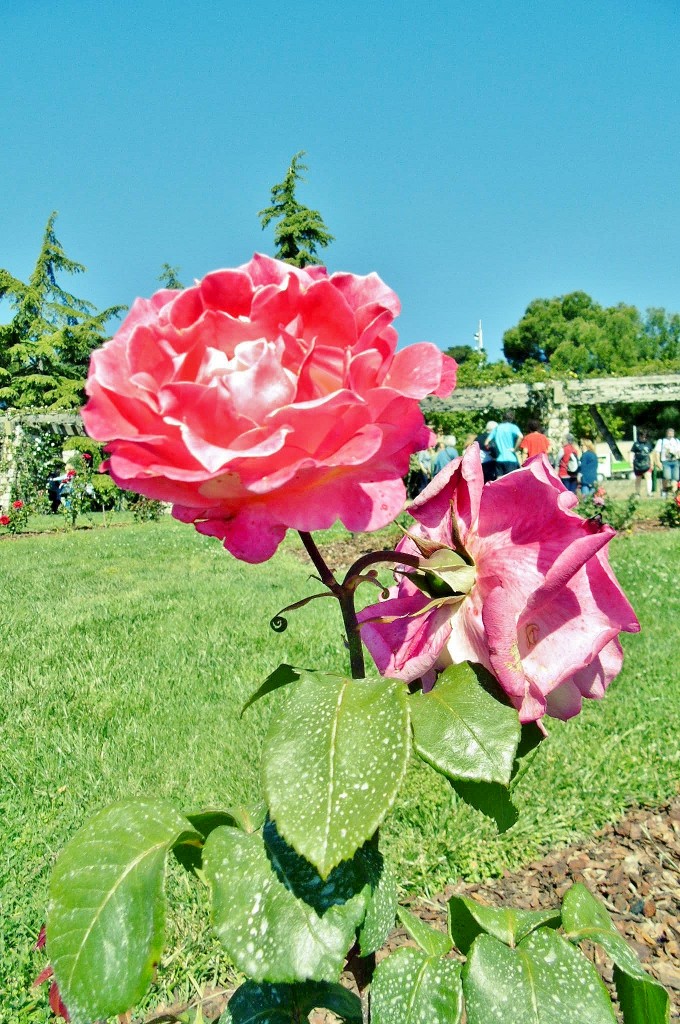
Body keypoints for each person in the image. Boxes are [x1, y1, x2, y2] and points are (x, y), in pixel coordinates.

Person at [489, 412, 522, 477]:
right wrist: (515, 449)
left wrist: (493, 453)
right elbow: (520, 436)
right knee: (511, 481)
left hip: (499, 459)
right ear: (512, 419)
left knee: (499, 482)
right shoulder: (513, 427)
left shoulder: (497, 428)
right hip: (511, 459)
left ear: (502, 418)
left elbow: (487, 442)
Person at [654, 427, 680, 496]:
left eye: (672, 433)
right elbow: (657, 452)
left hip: (675, 461)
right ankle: (664, 489)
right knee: (667, 477)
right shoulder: (661, 441)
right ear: (666, 433)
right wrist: (658, 462)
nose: (671, 434)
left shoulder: (677, 441)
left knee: (675, 477)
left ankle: (674, 492)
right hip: (666, 461)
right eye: (669, 432)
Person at [630, 431, 654, 497]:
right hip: (638, 464)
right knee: (638, 479)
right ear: (639, 436)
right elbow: (632, 453)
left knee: (648, 477)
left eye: (645, 437)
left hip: (647, 464)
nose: (644, 438)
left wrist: (652, 463)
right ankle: (637, 493)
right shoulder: (635, 444)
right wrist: (631, 463)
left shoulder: (649, 444)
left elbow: (651, 454)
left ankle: (649, 493)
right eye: (642, 437)